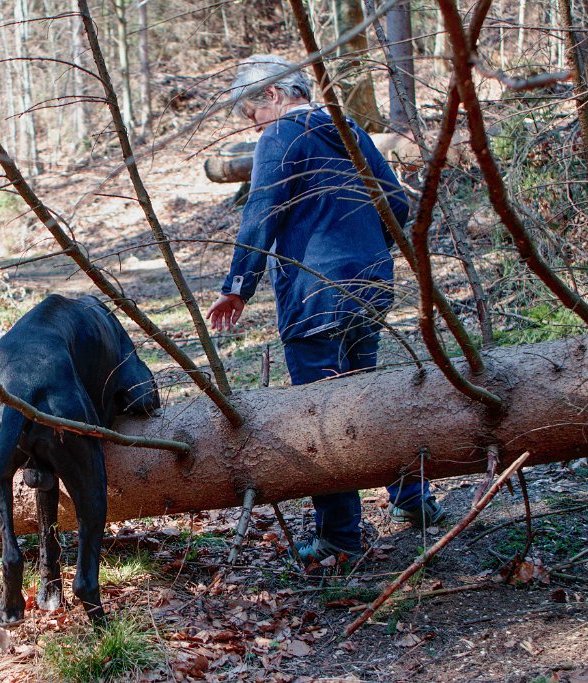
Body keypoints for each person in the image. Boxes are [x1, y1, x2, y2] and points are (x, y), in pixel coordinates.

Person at [206, 55, 445, 564]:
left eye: (252, 113)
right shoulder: (348, 126)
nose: (255, 125)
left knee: (322, 414)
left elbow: (262, 210)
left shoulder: (282, 134)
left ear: (272, 95)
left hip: (315, 293)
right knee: (369, 397)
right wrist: (367, 250)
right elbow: (397, 204)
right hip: (370, 281)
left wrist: (237, 286)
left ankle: (339, 535)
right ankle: (413, 500)